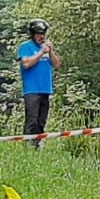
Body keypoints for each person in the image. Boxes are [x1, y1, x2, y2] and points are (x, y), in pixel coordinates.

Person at [17, 19, 60, 147]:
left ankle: (38, 145)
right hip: (32, 89)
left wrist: (51, 51)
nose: (41, 37)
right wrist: (41, 53)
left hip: (45, 89)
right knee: (32, 120)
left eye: (43, 34)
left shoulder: (47, 47)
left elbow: (56, 64)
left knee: (41, 121)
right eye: (38, 34)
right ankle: (27, 145)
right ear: (32, 34)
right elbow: (26, 64)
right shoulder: (25, 46)